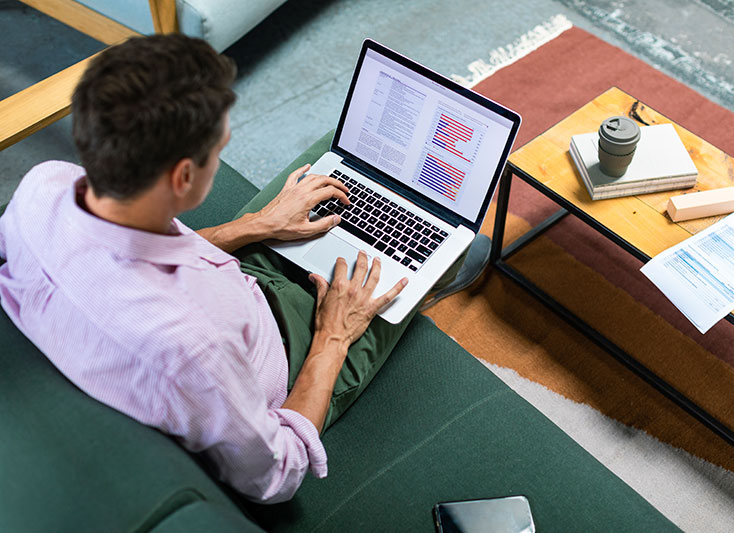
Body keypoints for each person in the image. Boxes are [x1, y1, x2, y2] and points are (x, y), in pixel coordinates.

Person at [0, 34, 482, 504]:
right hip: (295, 355)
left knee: (337, 161)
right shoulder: (192, 352)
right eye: (219, 147)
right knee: (458, 244)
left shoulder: (44, 187)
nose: (223, 147)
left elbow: (122, 259)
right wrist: (335, 334)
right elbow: (277, 473)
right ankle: (439, 277)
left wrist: (259, 224)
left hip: (229, 289)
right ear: (184, 177)